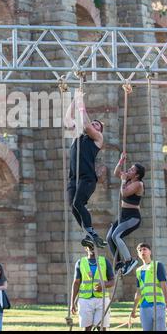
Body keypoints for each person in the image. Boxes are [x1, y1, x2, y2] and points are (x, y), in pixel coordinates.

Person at [65, 88, 106, 248]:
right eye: (94, 122)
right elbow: (68, 119)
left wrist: (82, 105)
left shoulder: (97, 138)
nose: (94, 125)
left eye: (98, 125)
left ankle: (91, 232)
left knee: (78, 203)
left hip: (87, 178)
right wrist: (75, 100)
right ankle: (89, 234)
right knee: (72, 205)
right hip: (74, 178)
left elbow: (87, 125)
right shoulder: (78, 135)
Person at [106, 152, 145, 276]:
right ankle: (119, 263)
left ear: (137, 175)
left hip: (133, 217)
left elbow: (125, 193)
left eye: (132, 169)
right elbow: (116, 173)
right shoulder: (128, 178)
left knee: (116, 236)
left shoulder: (138, 184)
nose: (129, 169)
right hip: (123, 216)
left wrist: (123, 181)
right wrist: (121, 161)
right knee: (109, 238)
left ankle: (130, 260)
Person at [71, 244, 114, 331]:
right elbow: (76, 283)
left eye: (94, 246)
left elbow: (113, 281)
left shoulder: (105, 261)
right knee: (87, 328)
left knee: (101, 327)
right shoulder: (80, 262)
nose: (92, 248)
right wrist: (72, 303)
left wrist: (104, 285)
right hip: (85, 300)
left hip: (102, 299)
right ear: (85, 248)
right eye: (89, 247)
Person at [130, 243, 167, 331]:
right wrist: (134, 309)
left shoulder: (157, 265)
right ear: (138, 254)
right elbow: (138, 291)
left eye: (144, 249)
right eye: (140, 250)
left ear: (150, 252)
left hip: (158, 305)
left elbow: (163, 284)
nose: (142, 251)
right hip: (144, 306)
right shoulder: (138, 270)